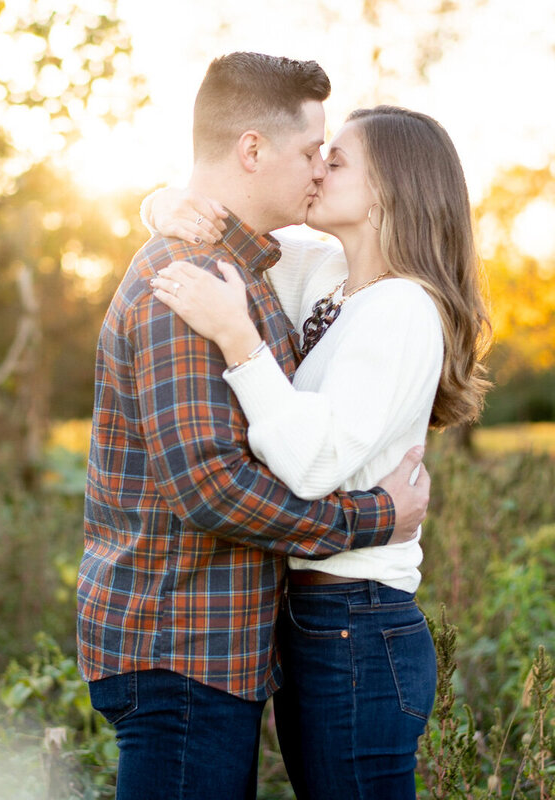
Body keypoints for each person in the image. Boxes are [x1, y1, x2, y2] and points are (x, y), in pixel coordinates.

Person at [77, 52, 432, 800]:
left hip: (221, 649)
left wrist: (165, 205)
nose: (315, 172)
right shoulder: (190, 285)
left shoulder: (259, 274)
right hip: (181, 648)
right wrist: (375, 517)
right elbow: (212, 488)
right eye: (312, 153)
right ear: (251, 149)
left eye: (332, 161)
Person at [147, 104, 491, 797]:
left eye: (336, 161)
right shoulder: (332, 280)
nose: (315, 169)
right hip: (319, 618)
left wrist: (238, 340)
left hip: (358, 620)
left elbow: (312, 466)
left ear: (391, 189)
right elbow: (219, 228)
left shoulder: (402, 309)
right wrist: (162, 205)